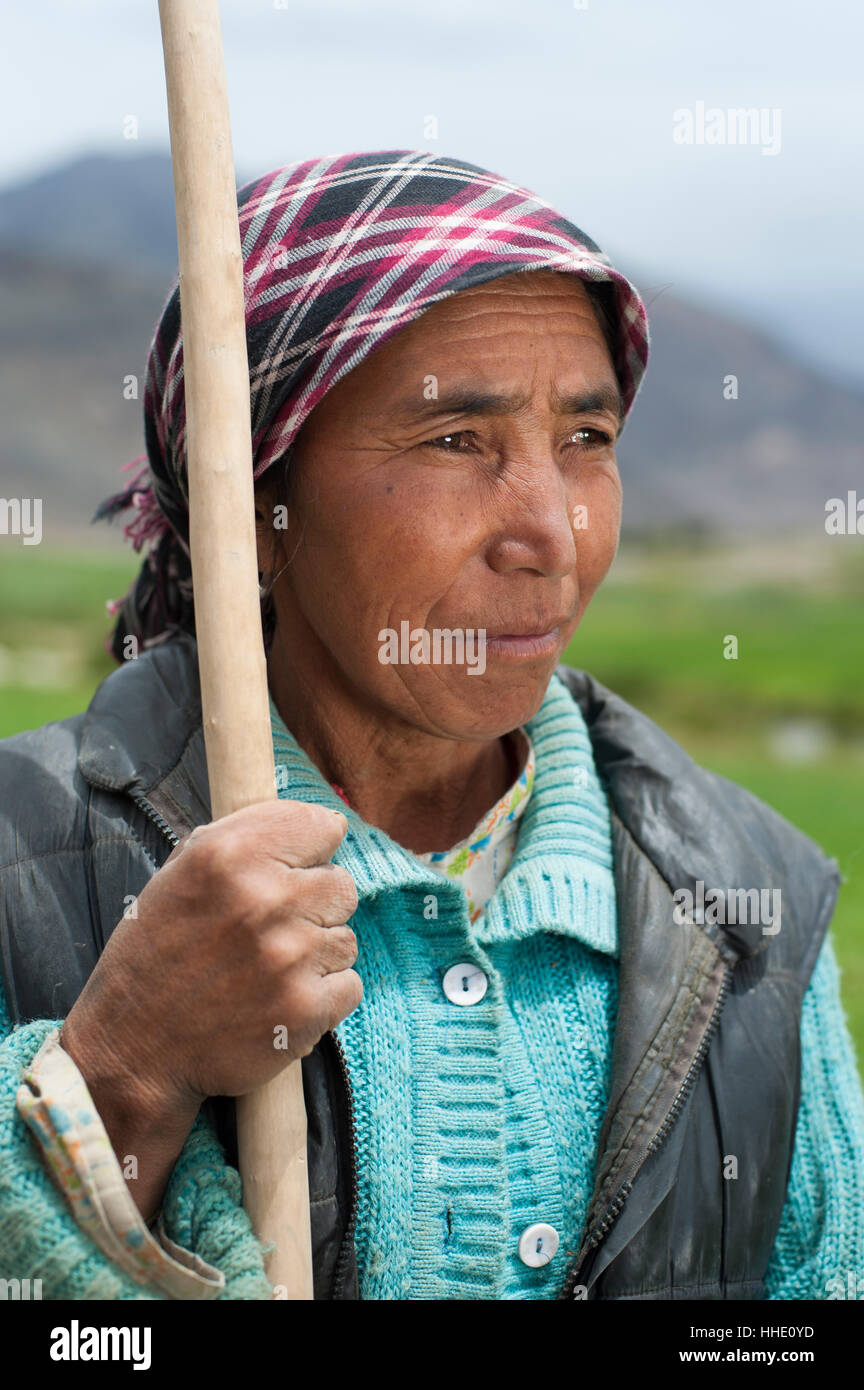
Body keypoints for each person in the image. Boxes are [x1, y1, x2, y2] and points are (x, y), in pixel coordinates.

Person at [0, 150, 861, 1301]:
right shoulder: (26, 870)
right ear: (252, 506)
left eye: (587, 441)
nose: (550, 533)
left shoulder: (750, 904)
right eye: (458, 441)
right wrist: (125, 1071)